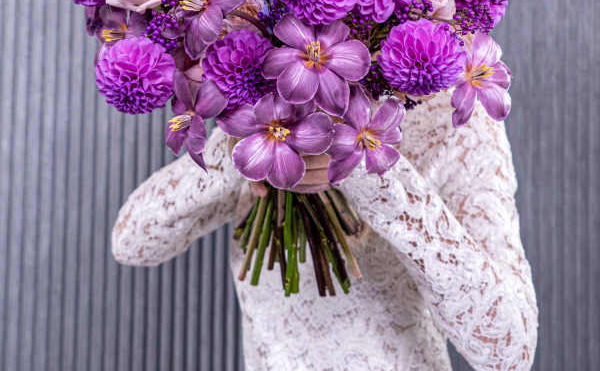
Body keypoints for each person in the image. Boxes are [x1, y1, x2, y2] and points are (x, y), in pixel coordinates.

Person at [112, 91, 538, 370]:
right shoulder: (264, 95)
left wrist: (370, 166)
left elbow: (508, 350)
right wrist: (240, 150)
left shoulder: (455, 113)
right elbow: (131, 242)